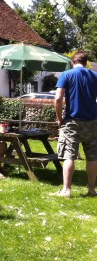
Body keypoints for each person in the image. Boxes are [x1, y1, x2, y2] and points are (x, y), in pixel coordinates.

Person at [51, 50, 97, 198]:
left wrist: (59, 119)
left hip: (72, 121)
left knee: (69, 156)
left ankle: (67, 190)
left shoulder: (66, 74)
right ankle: (91, 190)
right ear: (86, 62)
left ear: (72, 62)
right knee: (93, 157)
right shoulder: (95, 76)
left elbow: (58, 99)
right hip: (93, 122)